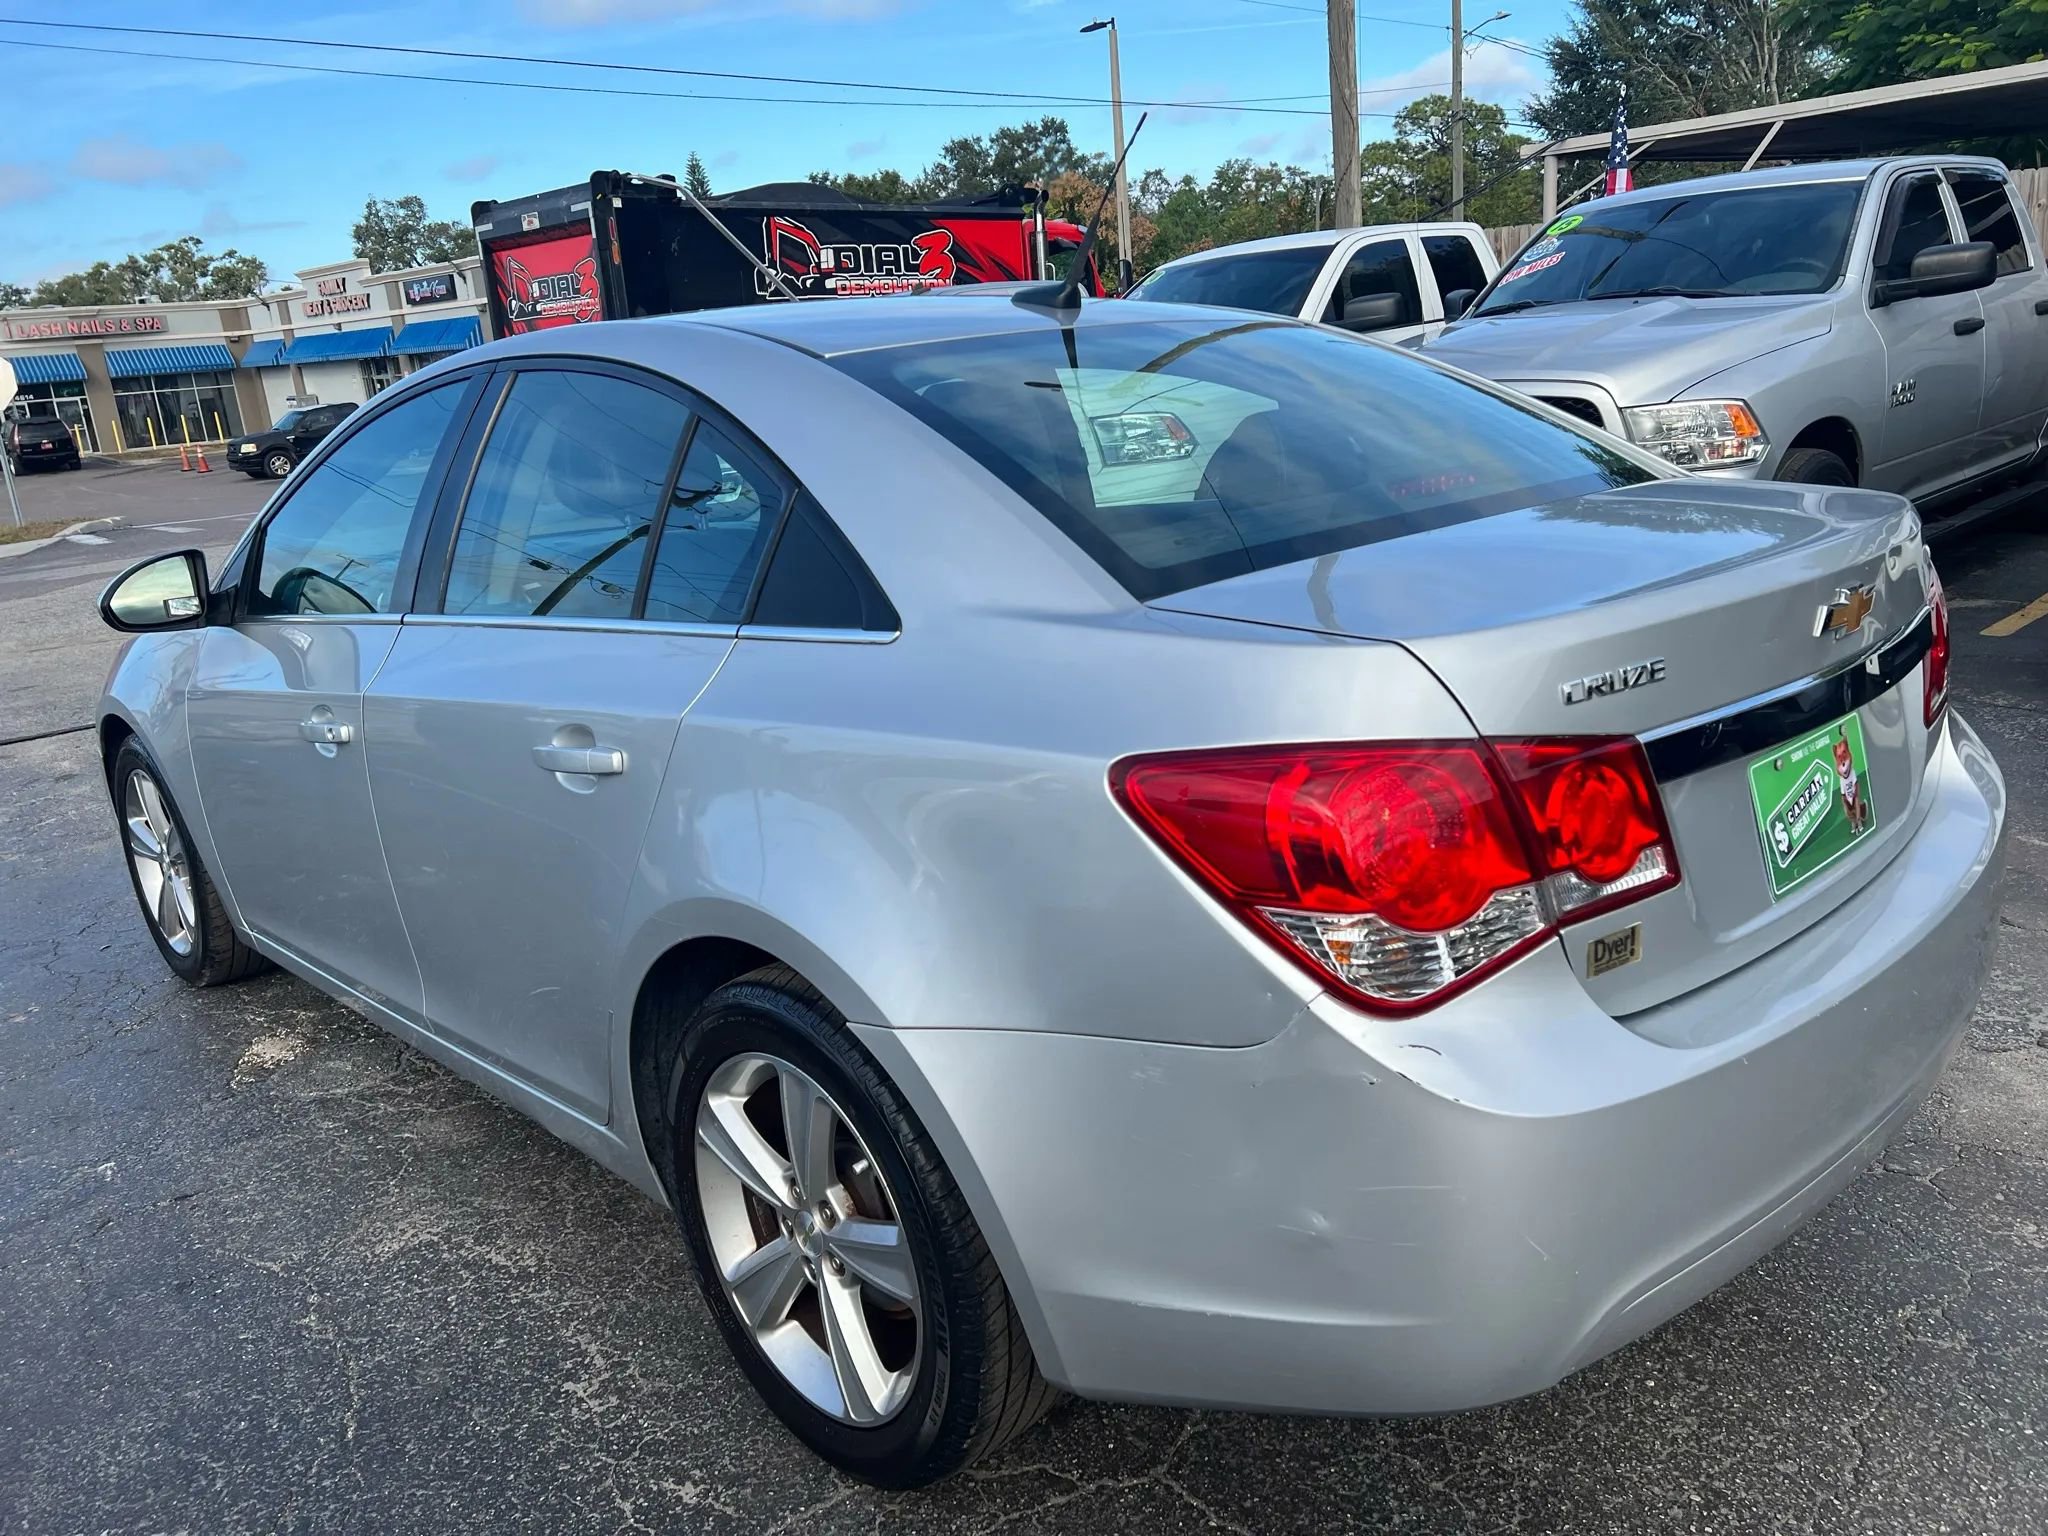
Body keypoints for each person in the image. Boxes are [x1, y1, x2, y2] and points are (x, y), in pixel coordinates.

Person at [1832, 724, 1868, 832]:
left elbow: (1855, 784)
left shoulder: (1852, 772)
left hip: (1854, 795)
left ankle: (1859, 822)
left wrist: (1856, 794)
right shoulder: (1841, 779)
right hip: (1847, 797)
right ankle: (1853, 822)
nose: (1843, 762)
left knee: (1856, 802)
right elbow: (1843, 793)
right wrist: (1845, 802)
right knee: (1847, 811)